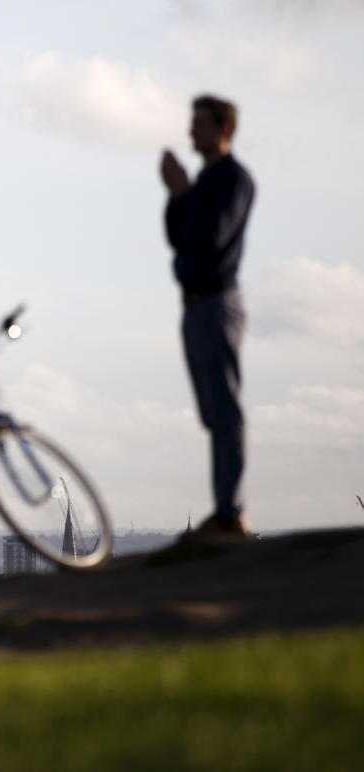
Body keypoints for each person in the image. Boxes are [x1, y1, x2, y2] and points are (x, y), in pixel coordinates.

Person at [159, 94, 255, 539]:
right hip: (196, 305)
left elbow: (211, 237)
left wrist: (181, 194)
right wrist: (179, 196)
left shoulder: (233, 180)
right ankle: (224, 509)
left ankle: (229, 512)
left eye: (197, 122)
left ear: (223, 128)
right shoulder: (205, 184)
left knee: (224, 409)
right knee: (212, 411)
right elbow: (180, 238)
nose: (190, 131)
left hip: (217, 303)